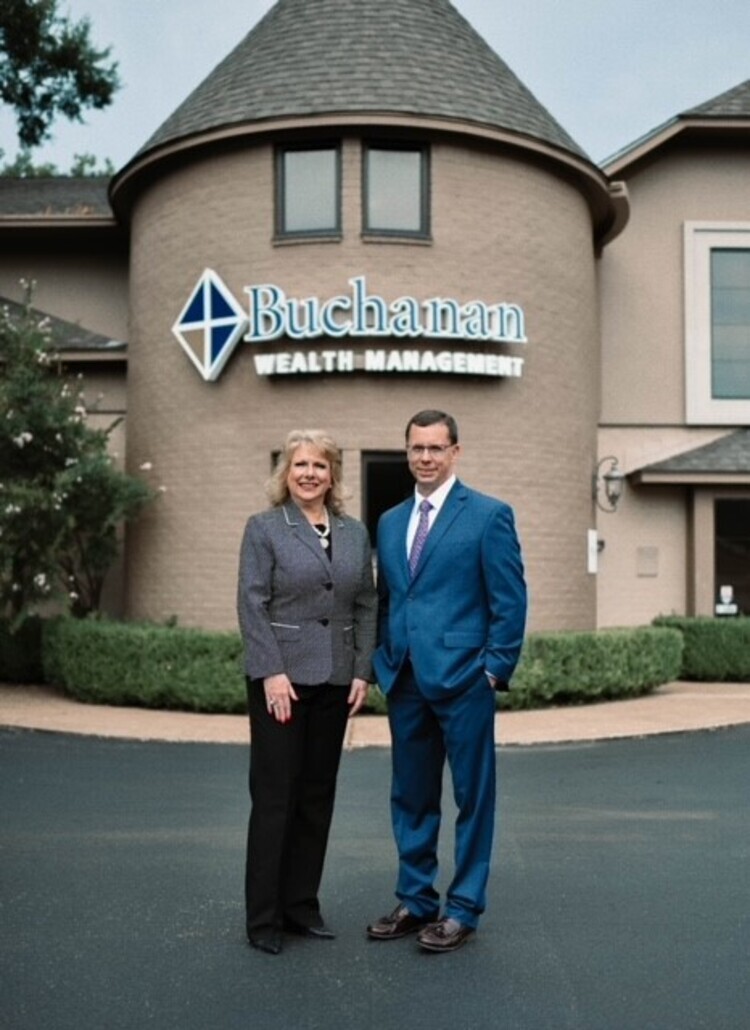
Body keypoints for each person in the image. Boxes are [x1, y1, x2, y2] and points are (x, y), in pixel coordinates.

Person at [367, 409, 527, 953]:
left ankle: (462, 908)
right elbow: (390, 598)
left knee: (472, 798)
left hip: (465, 681)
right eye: (417, 448)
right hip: (406, 679)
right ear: (406, 452)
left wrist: (492, 670)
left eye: (436, 448)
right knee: (410, 796)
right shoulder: (390, 521)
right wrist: (384, 661)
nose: (426, 458)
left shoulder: (488, 515)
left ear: (455, 451)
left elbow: (510, 601)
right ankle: (416, 900)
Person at [237, 428, 377, 955]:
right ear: (286, 473)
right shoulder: (265, 529)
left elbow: (366, 602)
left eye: (320, 465)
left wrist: (363, 669)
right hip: (282, 684)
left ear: (333, 474)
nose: (310, 473)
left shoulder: (354, 533)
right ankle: (264, 920)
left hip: (336, 680)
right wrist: (271, 672)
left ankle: (301, 906)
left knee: (317, 798)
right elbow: (251, 604)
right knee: (276, 799)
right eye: (300, 465)